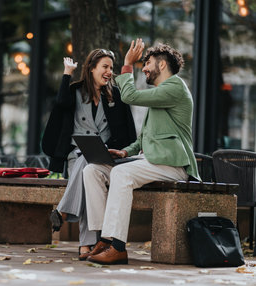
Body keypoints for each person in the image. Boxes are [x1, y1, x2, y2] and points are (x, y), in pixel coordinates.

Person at [82, 39, 201, 265]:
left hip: (172, 164)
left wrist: (127, 64)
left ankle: (117, 246)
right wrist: (126, 153)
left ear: (162, 65)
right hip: (152, 161)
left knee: (121, 175)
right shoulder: (161, 94)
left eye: (147, 63)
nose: (143, 67)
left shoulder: (175, 87)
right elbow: (144, 139)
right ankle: (103, 240)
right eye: (141, 64)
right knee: (93, 170)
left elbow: (129, 97)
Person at [41, 49, 136, 260]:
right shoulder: (75, 92)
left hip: (104, 156)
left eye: (111, 68)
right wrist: (67, 73)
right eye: (105, 67)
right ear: (91, 68)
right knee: (86, 171)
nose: (109, 72)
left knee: (89, 166)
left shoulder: (116, 95)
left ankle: (64, 211)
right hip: (77, 153)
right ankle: (87, 244)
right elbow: (60, 104)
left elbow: (125, 129)